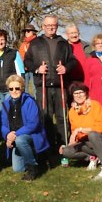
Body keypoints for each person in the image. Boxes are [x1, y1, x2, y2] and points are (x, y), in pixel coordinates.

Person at [23, 15, 77, 147]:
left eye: (53, 25)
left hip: (60, 85)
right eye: (48, 25)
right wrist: (37, 69)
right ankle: (47, 146)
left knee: (61, 116)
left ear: (57, 26)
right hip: (43, 85)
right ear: (43, 27)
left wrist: (66, 68)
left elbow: (72, 61)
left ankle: (63, 146)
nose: (51, 28)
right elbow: (27, 61)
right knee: (45, 117)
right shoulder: (36, 43)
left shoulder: (63, 43)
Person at [61, 82, 102, 181]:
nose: (78, 95)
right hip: (87, 144)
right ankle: (92, 157)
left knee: (92, 134)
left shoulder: (95, 105)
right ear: (72, 96)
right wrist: (71, 142)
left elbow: (100, 128)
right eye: (75, 93)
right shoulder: (72, 111)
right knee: (66, 151)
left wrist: (80, 130)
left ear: (86, 93)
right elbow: (76, 135)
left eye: (81, 92)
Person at [0, 75, 49, 181]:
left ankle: (33, 167)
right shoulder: (5, 104)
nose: (14, 91)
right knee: (18, 169)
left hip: (31, 135)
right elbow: (3, 125)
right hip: (14, 137)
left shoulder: (29, 101)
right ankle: (34, 156)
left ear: (22, 88)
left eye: (17, 88)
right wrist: (7, 135)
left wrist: (15, 135)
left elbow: (33, 124)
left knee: (20, 140)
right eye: (11, 89)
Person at [0, 29, 25, 105]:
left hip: (11, 89)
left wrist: (20, 87)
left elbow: (20, 71)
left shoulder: (14, 53)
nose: (0, 42)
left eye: (2, 39)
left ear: (6, 40)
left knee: (10, 110)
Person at [19, 23, 39, 94]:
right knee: (24, 88)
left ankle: (37, 101)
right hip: (25, 69)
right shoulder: (23, 44)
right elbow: (20, 56)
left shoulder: (37, 42)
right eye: (25, 31)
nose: (26, 33)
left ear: (33, 32)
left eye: (28, 31)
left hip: (34, 69)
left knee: (35, 88)